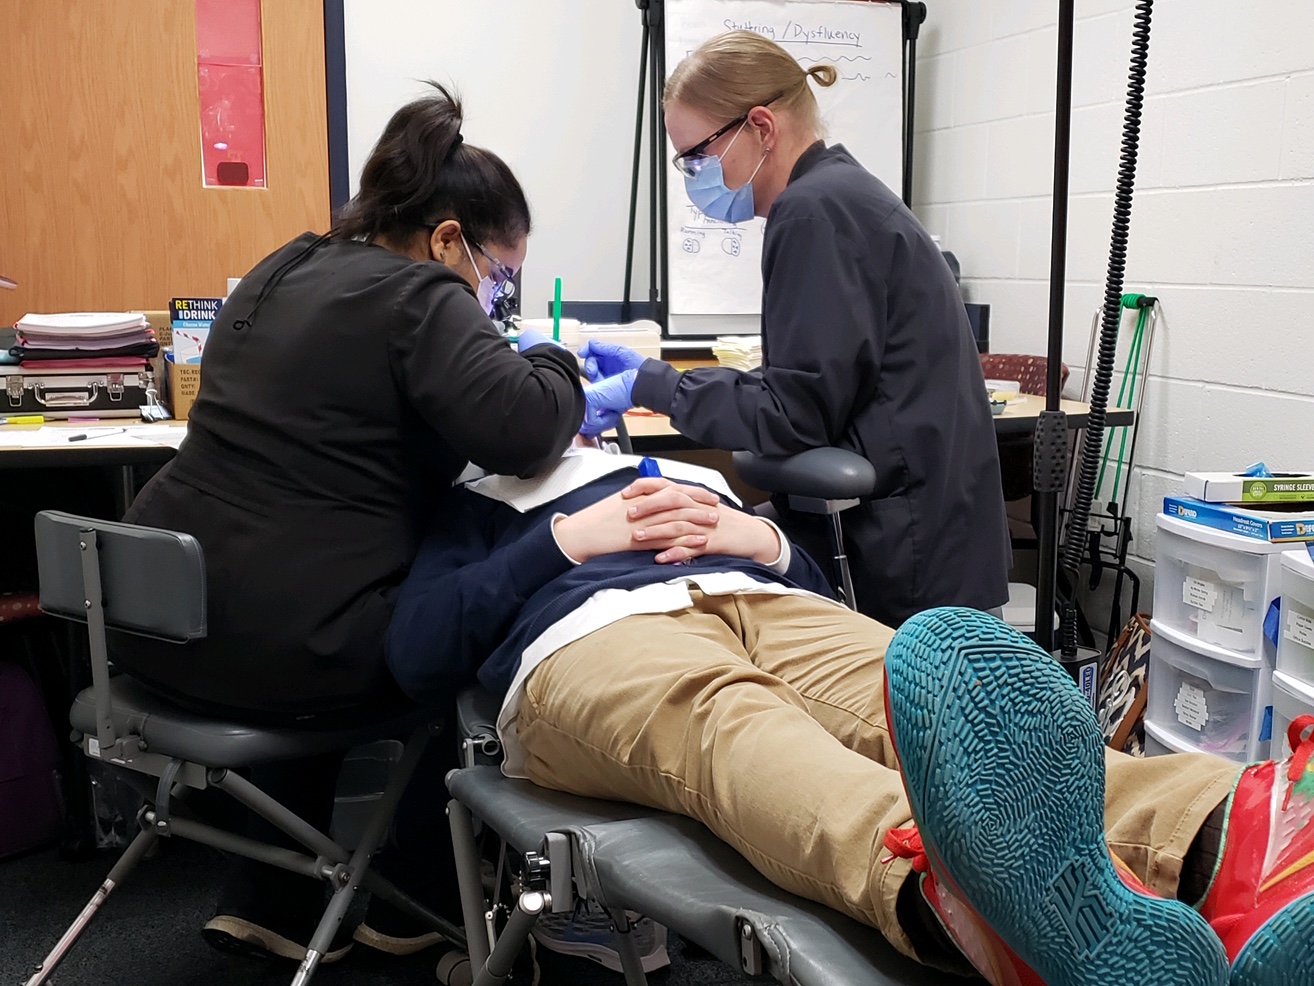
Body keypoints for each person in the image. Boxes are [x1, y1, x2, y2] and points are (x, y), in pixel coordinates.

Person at [390, 446, 1314, 986]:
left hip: (757, 596)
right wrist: (566, 540)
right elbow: (419, 647)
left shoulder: (670, 463)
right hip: (585, 637)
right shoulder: (476, 501)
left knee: (917, 692)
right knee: (737, 726)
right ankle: (972, 904)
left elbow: (812, 581)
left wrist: (755, 537)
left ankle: (1235, 840)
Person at [116, 84, 584, 963]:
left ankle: (274, 895)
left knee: (318, 585)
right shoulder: (421, 297)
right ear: (448, 239)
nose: (497, 295)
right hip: (285, 649)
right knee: (449, 630)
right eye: (500, 274)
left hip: (160, 626)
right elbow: (524, 429)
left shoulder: (284, 265)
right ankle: (419, 898)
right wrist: (556, 359)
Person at [575, 30, 1011, 628]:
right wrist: (657, 382)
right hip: (927, 531)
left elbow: (792, 415)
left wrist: (649, 387)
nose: (692, 176)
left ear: (760, 127)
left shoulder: (814, 211)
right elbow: (808, 384)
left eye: (697, 156)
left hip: (897, 551)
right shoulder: (841, 194)